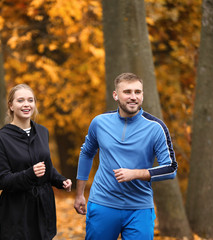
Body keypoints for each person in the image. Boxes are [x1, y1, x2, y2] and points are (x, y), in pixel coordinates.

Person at [74, 73, 178, 240]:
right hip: (102, 204)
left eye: (138, 92)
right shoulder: (100, 123)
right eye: (127, 92)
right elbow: (86, 153)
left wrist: (136, 173)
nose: (133, 97)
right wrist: (79, 194)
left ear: (142, 95)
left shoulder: (156, 127)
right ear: (116, 95)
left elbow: (171, 169)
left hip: (139, 209)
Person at [0, 84, 72, 240]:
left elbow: (47, 166)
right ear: (11, 105)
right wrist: (29, 174)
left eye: (30, 100)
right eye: (20, 100)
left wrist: (60, 180)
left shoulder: (42, 132)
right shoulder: (1, 138)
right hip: (17, 210)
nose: (26, 104)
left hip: (43, 205)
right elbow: (1, 180)